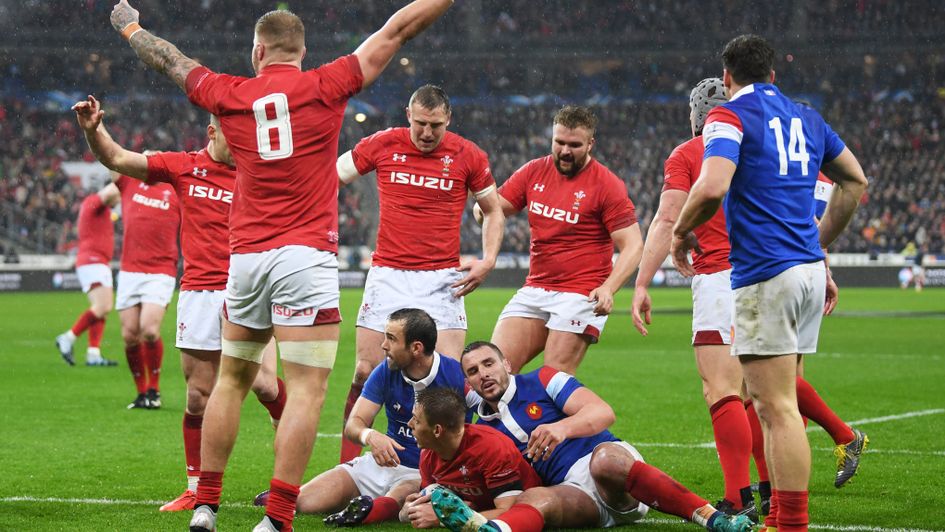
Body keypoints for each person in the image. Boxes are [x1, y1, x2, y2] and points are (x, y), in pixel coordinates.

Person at [109, 1, 455, 530]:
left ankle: (205, 505)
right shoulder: (328, 82)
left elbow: (169, 59)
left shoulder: (229, 91)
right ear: (303, 52)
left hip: (245, 257)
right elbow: (399, 29)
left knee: (230, 379)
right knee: (307, 389)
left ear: (257, 51)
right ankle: (276, 517)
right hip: (304, 256)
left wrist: (131, 26)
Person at [670, 35, 869, 532]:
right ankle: (779, 515)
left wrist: (679, 233)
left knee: (774, 408)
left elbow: (713, 185)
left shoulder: (728, 116)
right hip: (805, 270)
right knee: (778, 400)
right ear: (774, 75)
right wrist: (819, 244)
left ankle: (788, 525)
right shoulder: (808, 117)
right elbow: (855, 183)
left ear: (729, 78)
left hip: (765, 272)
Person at [72, 95, 287, 512]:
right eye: (233, 135)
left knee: (263, 384)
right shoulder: (183, 166)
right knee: (196, 398)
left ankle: (287, 481)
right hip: (197, 294)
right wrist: (93, 130)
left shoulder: (255, 173)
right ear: (212, 131)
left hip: (246, 292)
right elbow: (117, 158)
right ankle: (195, 489)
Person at [336, 84, 504, 463]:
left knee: (447, 382)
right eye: (421, 124)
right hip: (388, 274)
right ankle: (348, 468)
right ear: (408, 116)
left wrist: (488, 259)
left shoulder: (468, 155)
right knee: (365, 370)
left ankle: (455, 469)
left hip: (442, 278)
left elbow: (493, 210)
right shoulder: (382, 143)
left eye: (436, 125)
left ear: (449, 120)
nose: (428, 133)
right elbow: (329, 178)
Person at [431, 341, 753, 532]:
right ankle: (494, 530)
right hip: (573, 496)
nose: (483, 374)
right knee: (534, 500)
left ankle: (714, 519)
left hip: (614, 474)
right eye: (473, 371)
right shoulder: (485, 431)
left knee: (604, 460)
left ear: (506, 363)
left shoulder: (543, 379)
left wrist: (561, 428)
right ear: (468, 383)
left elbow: (602, 412)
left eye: (489, 363)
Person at [631, 77, 756, 519]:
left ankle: (738, 496)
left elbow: (668, 218)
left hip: (720, 277)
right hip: (766, 274)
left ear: (695, 116)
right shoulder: (757, 146)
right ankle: (773, 488)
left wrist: (642, 281)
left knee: (720, 390)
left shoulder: (690, 153)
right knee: (756, 391)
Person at [254, 308, 477, 527]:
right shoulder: (385, 371)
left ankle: (367, 511)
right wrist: (371, 436)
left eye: (391, 339)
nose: (383, 345)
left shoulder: (456, 375)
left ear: (416, 348)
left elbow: (488, 419)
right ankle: (325, 498)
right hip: (377, 465)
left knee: (401, 495)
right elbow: (354, 424)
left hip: (424, 475)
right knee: (305, 503)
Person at [474, 105, 643, 374]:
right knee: (492, 373)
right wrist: (483, 211)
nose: (565, 151)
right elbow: (492, 209)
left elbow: (633, 245)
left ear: (590, 144)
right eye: (559, 142)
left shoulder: (607, 185)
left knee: (551, 382)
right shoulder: (533, 171)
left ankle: (573, 415)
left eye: (574, 145)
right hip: (536, 288)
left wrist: (609, 288)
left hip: (581, 293)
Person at [405, 386, 543, 529]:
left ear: (437, 430)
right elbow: (431, 501)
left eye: (416, 420)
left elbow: (509, 511)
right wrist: (412, 507)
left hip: (531, 508)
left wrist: (445, 517)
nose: (409, 424)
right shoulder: (428, 454)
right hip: (480, 506)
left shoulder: (492, 448)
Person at [55, 184, 121, 367]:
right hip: (93, 260)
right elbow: (111, 191)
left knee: (101, 308)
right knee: (104, 305)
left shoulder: (94, 205)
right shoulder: (94, 202)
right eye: (118, 196)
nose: (119, 199)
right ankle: (68, 337)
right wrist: (129, 175)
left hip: (95, 261)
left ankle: (93, 353)